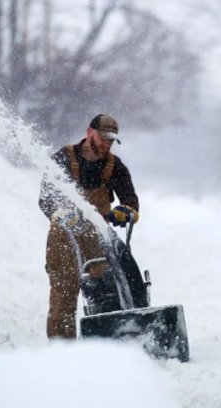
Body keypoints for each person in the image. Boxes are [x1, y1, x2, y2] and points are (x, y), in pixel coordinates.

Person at [38, 114, 140, 339]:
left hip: (97, 237)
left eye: (111, 140)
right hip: (64, 238)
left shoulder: (115, 166)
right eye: (103, 138)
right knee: (64, 294)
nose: (106, 144)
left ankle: (107, 348)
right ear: (88, 132)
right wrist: (59, 212)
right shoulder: (63, 158)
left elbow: (131, 202)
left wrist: (125, 212)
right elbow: (45, 198)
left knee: (106, 292)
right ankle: (60, 351)